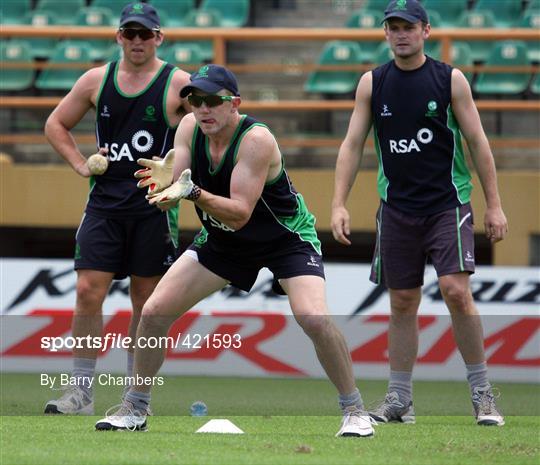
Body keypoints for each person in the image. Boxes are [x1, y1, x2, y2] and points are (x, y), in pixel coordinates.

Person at [94, 64, 375, 437]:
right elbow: (176, 180)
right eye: (196, 100)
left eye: (213, 100)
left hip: (284, 239)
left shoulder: (256, 140)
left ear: (235, 104)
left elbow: (241, 212)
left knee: (314, 318)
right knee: (154, 312)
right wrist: (165, 184)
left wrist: (190, 192)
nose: (203, 108)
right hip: (223, 240)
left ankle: (355, 411)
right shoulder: (189, 128)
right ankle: (134, 408)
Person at [331, 0, 508, 426]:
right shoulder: (372, 83)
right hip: (396, 210)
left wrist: (495, 204)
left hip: (448, 204)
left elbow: (478, 143)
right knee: (402, 302)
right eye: (392, 27)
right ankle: (400, 400)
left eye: (408, 26)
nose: (400, 34)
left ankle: (483, 395)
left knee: (455, 291)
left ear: (425, 31)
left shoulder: (451, 80)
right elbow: (352, 144)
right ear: (386, 33)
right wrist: (338, 202)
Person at [43, 2, 191, 414]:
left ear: (159, 38)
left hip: (154, 209)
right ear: (118, 37)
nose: (138, 41)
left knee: (146, 302)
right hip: (105, 205)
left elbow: (209, 125)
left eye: (146, 34)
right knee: (88, 292)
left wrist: (179, 169)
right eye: (130, 33)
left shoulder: (176, 82)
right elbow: (55, 124)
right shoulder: (97, 79)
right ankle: (81, 394)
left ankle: (134, 397)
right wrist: (79, 164)